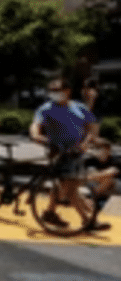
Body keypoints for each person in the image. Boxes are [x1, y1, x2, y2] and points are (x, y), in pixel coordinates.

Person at [29, 77, 105, 230]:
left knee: (66, 185)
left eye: (58, 90)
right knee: (69, 187)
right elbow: (35, 124)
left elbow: (91, 127)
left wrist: (86, 142)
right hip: (60, 152)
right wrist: (36, 135)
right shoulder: (47, 108)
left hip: (77, 152)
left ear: (68, 91)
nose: (54, 93)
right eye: (52, 90)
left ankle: (50, 212)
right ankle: (88, 221)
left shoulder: (79, 107)